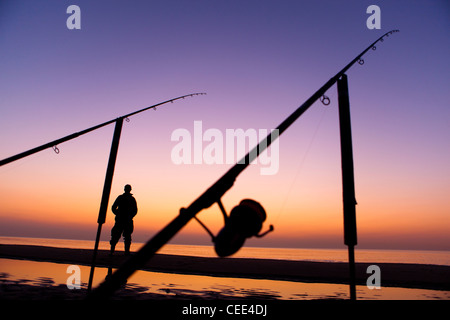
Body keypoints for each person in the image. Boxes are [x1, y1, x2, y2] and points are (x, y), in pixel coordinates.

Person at [110, 184, 138, 255]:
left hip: (127, 220)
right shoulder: (120, 197)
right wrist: (118, 214)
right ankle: (112, 250)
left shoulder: (132, 199)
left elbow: (135, 210)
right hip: (120, 220)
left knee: (127, 236)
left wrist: (130, 216)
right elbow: (113, 207)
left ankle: (126, 252)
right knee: (116, 235)